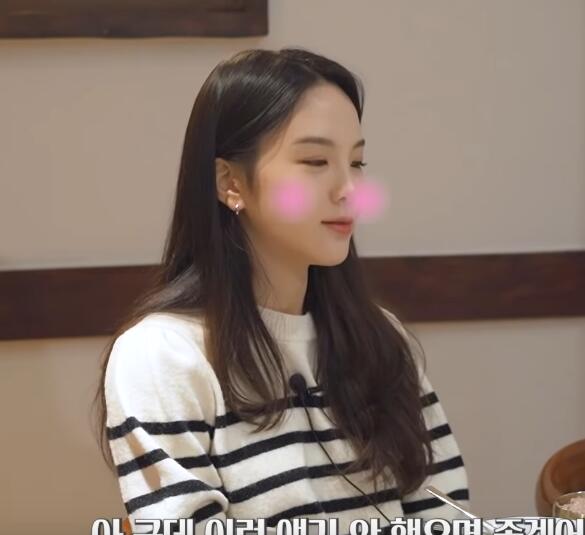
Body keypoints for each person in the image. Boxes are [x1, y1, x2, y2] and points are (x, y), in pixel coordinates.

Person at [93, 47, 469, 535]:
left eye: (357, 162)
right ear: (230, 182)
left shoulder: (382, 339)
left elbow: (446, 516)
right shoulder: (165, 357)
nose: (349, 189)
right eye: (315, 161)